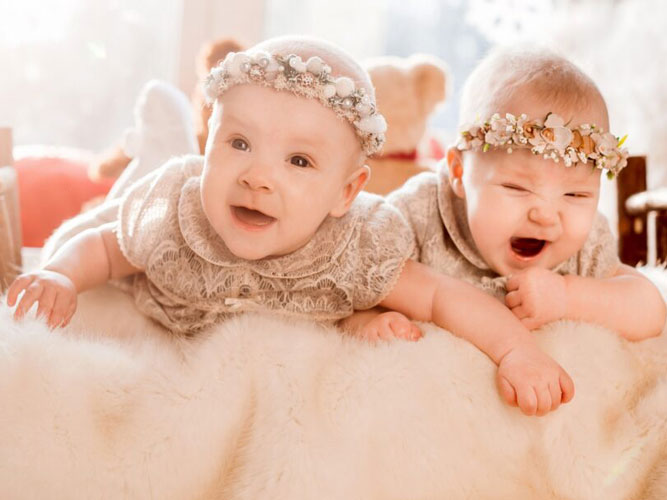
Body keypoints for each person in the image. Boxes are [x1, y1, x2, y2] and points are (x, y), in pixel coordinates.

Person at [6, 36, 573, 416]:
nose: (257, 177)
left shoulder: (353, 248)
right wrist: (60, 275)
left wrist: (516, 352)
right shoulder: (180, 215)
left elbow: (443, 296)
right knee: (134, 185)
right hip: (170, 268)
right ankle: (162, 139)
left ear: (346, 192)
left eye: (299, 161)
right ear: (211, 142)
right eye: (238, 143)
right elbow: (107, 246)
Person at [344, 46, 665, 364]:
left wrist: (567, 296)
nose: (545, 215)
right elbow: (350, 286)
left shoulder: (586, 241)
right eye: (516, 187)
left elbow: (649, 309)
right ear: (459, 172)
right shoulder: (418, 213)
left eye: (575, 195)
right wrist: (366, 322)